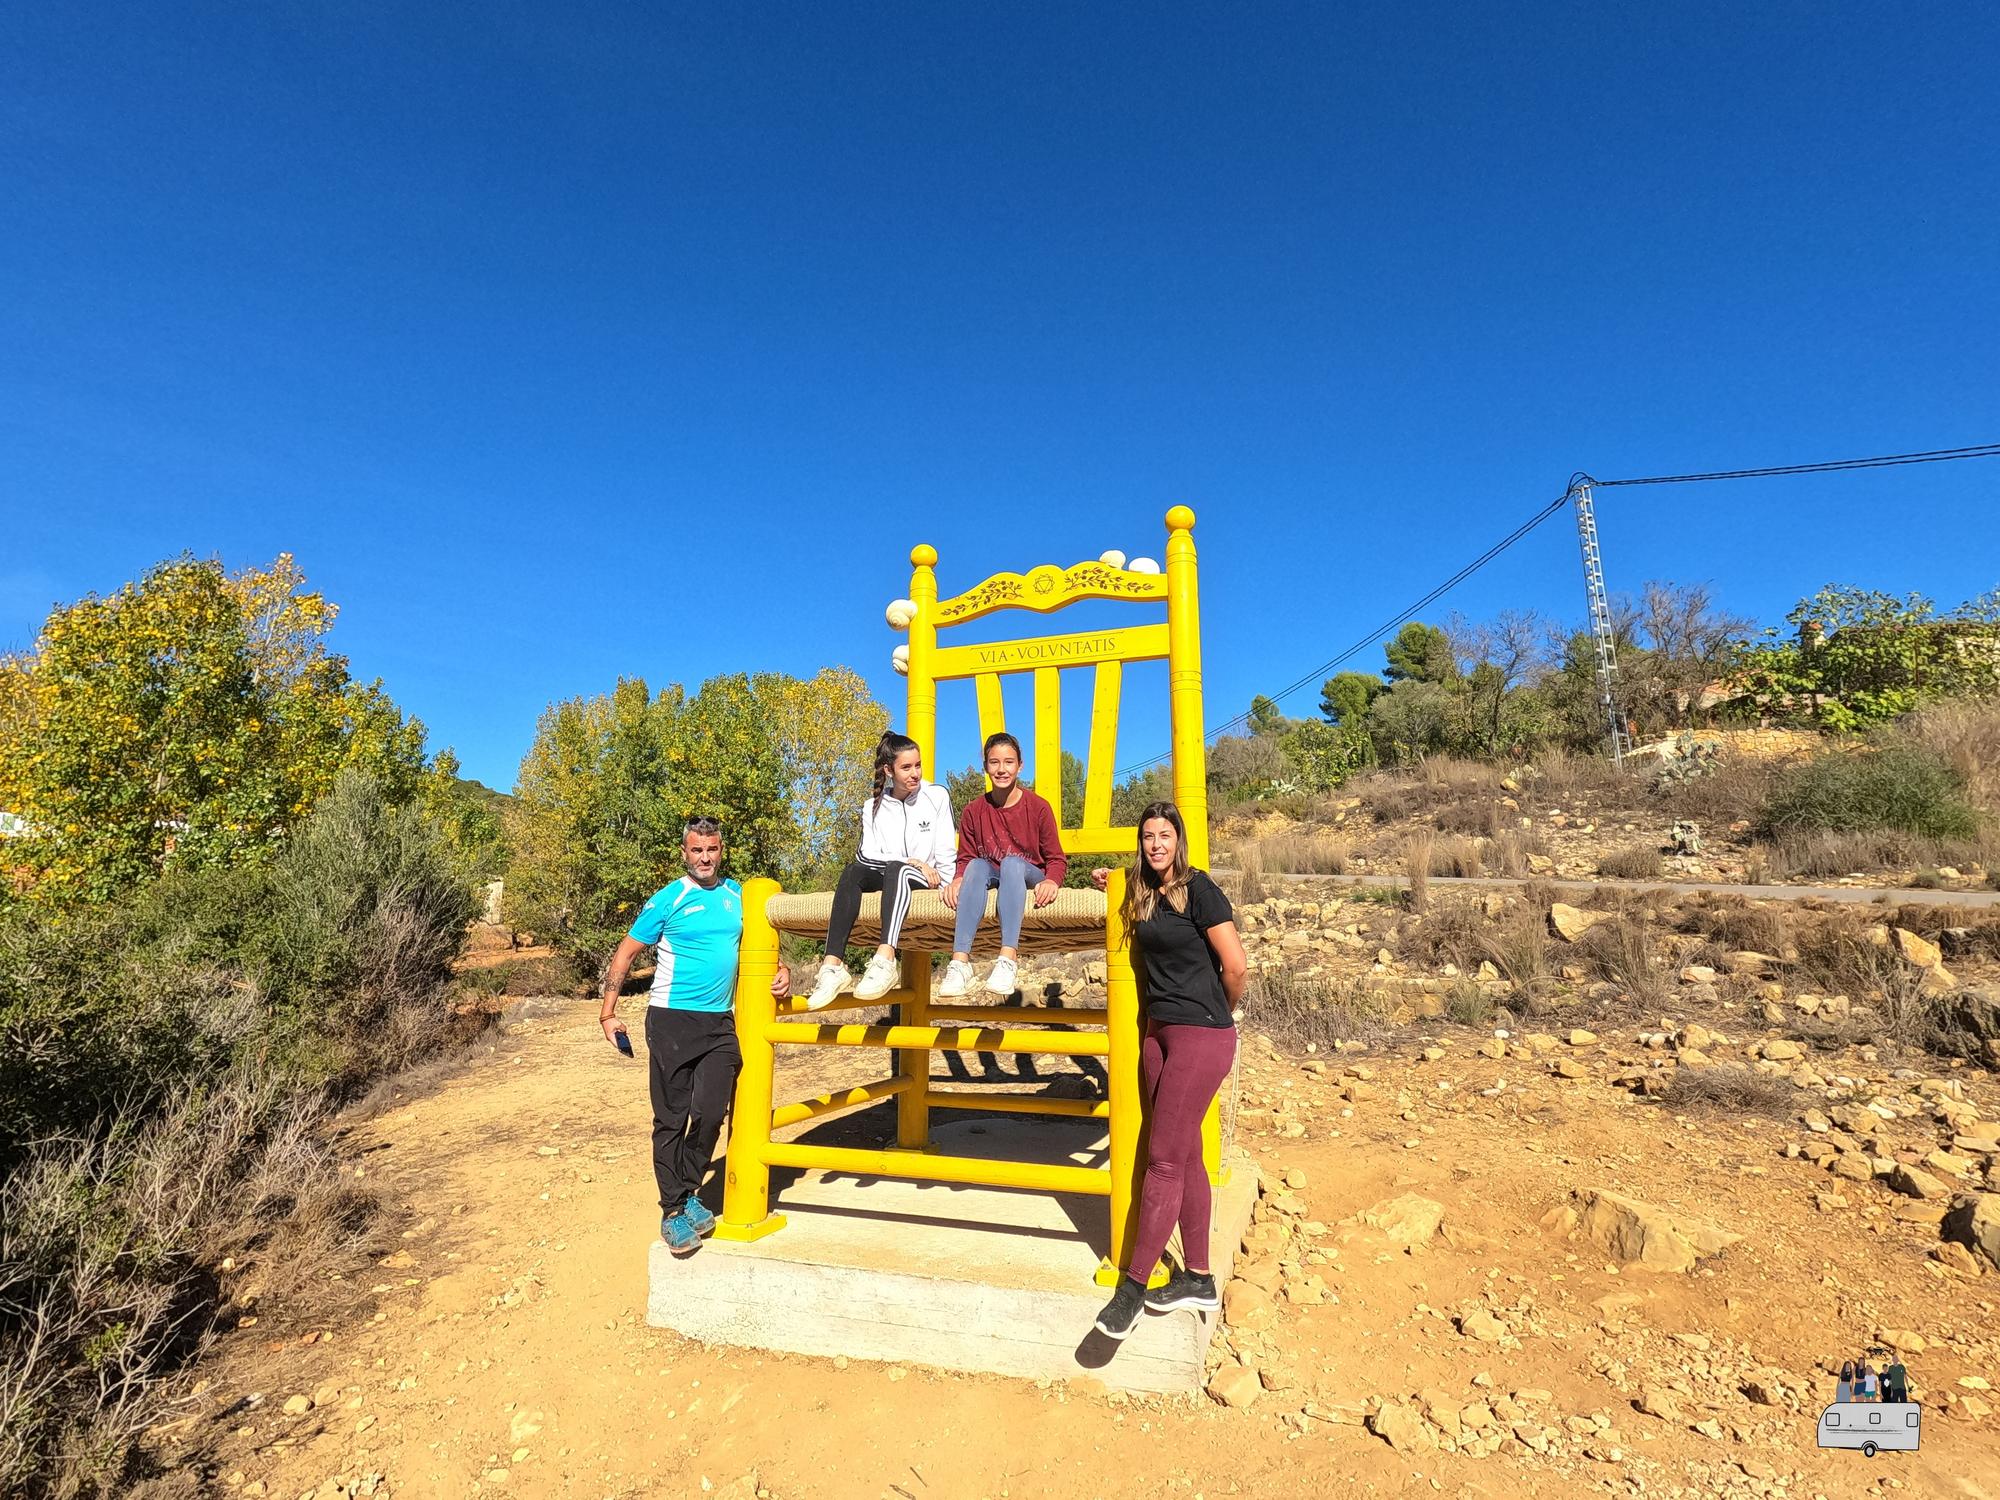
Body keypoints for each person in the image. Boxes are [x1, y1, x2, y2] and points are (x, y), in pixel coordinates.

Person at [1087, 801, 1247, 1340]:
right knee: (1186, 1156)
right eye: (1148, 836)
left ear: (1179, 839)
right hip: (1157, 1033)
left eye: (1165, 835)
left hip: (1201, 1035)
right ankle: (1198, 1277)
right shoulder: (1142, 890)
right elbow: (1124, 885)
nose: (1157, 844)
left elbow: (1236, 965)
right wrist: (1109, 877)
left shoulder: (1199, 889)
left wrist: (1219, 1011)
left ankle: (1130, 1290)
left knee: (1161, 1161)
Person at [599, 816, 791, 1254]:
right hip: (670, 1020)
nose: (705, 858)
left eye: (713, 850)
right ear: (684, 853)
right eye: (697, 850)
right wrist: (608, 1014)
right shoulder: (670, 897)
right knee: (671, 1118)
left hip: (719, 1022)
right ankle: (673, 1210)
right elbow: (626, 954)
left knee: (709, 1112)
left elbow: (766, 945)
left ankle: (686, 1191)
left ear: (722, 851)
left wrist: (781, 971)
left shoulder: (738, 896)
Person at [804, 732, 957, 1008]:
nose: (915, 773)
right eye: (906, 767)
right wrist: (909, 860)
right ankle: (833, 967)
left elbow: (946, 849)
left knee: (899, 869)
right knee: (852, 871)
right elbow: (865, 854)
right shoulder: (871, 807)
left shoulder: (936, 796)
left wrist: (944, 883)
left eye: (918, 765)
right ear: (888, 770)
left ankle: (885, 959)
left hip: (927, 879)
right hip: (895, 873)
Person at [940, 732, 1067, 999]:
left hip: (1026, 874)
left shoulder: (1038, 807)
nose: (1001, 769)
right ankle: (960, 962)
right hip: (990, 875)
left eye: (1008, 762)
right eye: (994, 762)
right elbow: (965, 857)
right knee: (975, 865)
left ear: (1020, 766)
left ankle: (1008, 958)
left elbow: (1056, 858)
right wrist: (958, 878)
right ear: (986, 766)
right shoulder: (973, 811)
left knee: (1011, 863)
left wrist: (1052, 880)